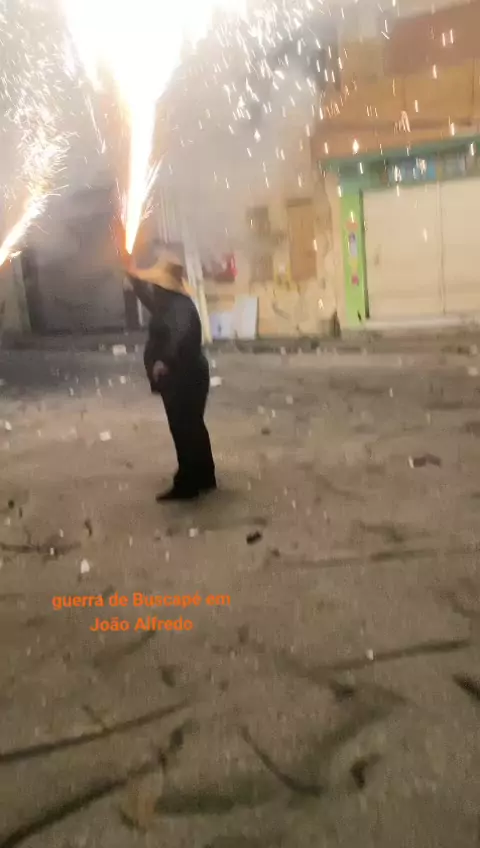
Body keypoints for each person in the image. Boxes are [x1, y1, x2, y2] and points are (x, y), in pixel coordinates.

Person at [121, 245, 216, 502]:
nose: (153, 288)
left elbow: (181, 335)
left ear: (164, 286)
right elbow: (148, 300)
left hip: (183, 375)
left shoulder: (178, 307)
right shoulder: (170, 303)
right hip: (188, 373)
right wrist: (132, 275)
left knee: (183, 428)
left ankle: (188, 484)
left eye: (156, 284)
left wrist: (165, 361)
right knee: (193, 426)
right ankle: (205, 477)